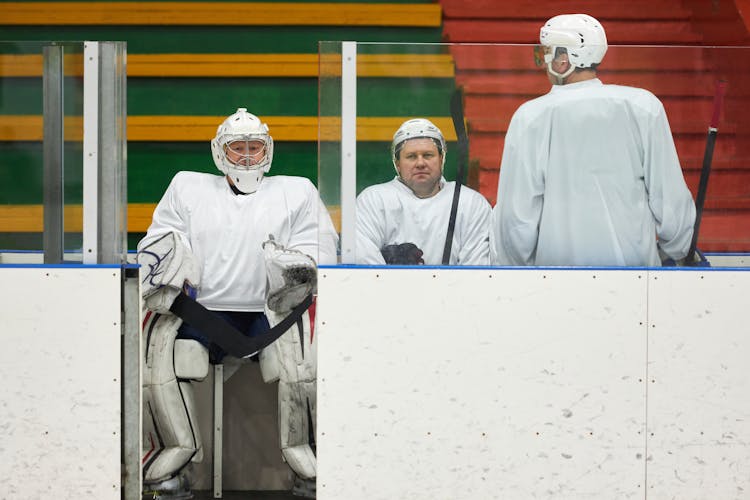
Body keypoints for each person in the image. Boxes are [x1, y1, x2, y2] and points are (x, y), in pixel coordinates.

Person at [137, 107, 338, 498]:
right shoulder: (186, 188)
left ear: (268, 149)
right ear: (219, 152)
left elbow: (318, 252)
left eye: (254, 146)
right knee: (157, 350)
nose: (247, 156)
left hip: (271, 314)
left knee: (306, 359)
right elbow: (160, 247)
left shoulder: (297, 191)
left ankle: (310, 468)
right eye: (237, 148)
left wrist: (291, 269)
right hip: (203, 313)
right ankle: (165, 468)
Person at [490, 14, 696, 267]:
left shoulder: (530, 116)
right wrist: (677, 249)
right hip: (638, 277)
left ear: (563, 59)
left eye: (545, 53)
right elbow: (670, 200)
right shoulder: (644, 106)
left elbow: (516, 218)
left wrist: (517, 266)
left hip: (554, 279)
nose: (542, 62)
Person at [356, 118, 491, 265]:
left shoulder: (471, 203)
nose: (420, 163)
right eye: (411, 156)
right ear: (397, 164)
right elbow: (365, 264)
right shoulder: (373, 200)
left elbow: (477, 271)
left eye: (428, 155)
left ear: (441, 159)